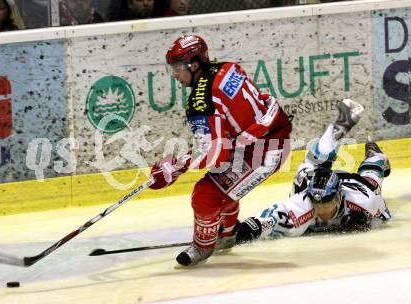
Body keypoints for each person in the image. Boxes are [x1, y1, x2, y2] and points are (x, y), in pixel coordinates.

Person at [148, 34, 293, 266]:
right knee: (222, 185)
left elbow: (215, 155)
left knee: (205, 194)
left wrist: (175, 167)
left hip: (262, 153)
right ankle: (226, 234)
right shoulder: (226, 67)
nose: (174, 75)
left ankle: (203, 246)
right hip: (271, 136)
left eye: (177, 68)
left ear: (194, 64)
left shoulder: (200, 100)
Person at [235, 99, 392, 245]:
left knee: (372, 181)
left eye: (326, 204)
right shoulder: (302, 204)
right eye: (317, 204)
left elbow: (383, 214)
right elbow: (269, 219)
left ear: (339, 197)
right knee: (319, 155)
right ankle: (343, 122)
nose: (321, 211)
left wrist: (369, 222)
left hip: (355, 184)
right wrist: (237, 233)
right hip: (309, 177)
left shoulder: (362, 202)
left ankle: (375, 155)